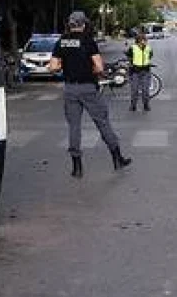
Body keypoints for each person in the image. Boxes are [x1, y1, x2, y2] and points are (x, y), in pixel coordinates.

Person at [49, 11, 132, 178]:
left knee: (74, 127)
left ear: (70, 24)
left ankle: (77, 167)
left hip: (70, 89)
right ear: (84, 24)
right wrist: (91, 70)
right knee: (102, 122)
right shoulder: (88, 41)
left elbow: (53, 67)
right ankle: (117, 158)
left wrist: (65, 66)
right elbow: (100, 67)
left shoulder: (62, 42)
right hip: (88, 88)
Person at [126, 31, 153, 112]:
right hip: (135, 72)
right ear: (138, 41)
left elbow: (150, 56)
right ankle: (133, 105)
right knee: (134, 90)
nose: (144, 41)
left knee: (145, 90)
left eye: (145, 40)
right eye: (142, 40)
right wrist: (131, 65)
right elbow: (129, 57)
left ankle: (146, 105)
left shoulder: (149, 48)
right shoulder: (132, 48)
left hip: (146, 71)